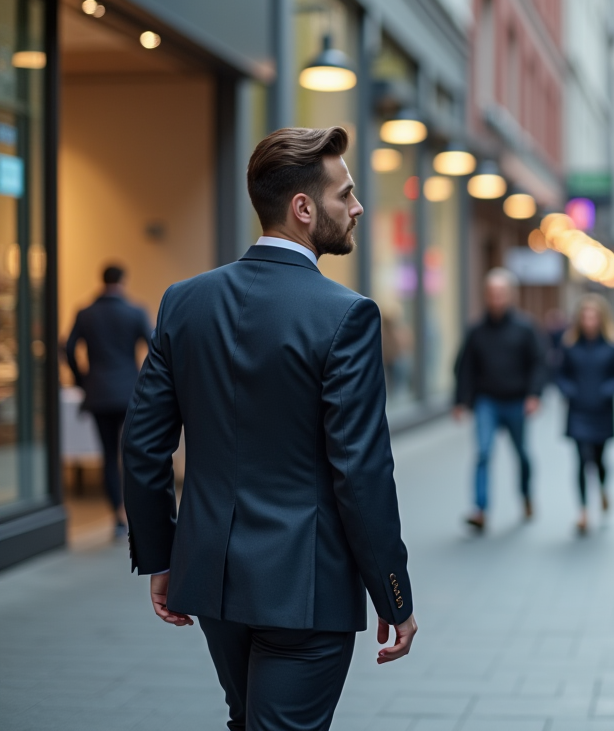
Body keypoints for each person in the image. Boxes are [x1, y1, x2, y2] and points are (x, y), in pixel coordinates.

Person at [122, 127, 417, 731]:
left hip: (211, 580)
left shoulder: (185, 301)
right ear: (303, 209)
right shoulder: (347, 315)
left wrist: (162, 554)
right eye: (346, 195)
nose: (358, 208)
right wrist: (393, 593)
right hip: (303, 591)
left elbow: (143, 443)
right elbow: (360, 471)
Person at [64, 264, 153, 538]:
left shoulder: (86, 313)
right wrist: (145, 379)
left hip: (99, 392)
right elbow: (155, 347)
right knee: (131, 454)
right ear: (123, 281)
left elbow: (67, 348)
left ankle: (117, 515)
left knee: (107, 455)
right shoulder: (135, 311)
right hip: (129, 393)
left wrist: (81, 379)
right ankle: (136, 514)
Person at [454, 268, 545, 532]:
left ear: (511, 296)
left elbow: (539, 363)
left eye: (501, 293)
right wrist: (461, 401)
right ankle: (480, 510)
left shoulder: (525, 328)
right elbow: (464, 366)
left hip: (517, 401)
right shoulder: (477, 331)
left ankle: (526, 495)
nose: (496, 299)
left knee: (523, 455)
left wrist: (534, 395)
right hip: (487, 402)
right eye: (491, 294)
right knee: (482, 453)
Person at [557, 294, 614, 535]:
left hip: (601, 410)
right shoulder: (570, 344)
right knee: (580, 458)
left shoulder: (613, 344)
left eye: (593, 316)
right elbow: (559, 373)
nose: (589, 321)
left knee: (598, 459)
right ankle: (583, 511)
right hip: (578, 409)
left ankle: (602, 489)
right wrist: (570, 390)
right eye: (585, 316)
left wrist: (606, 391)